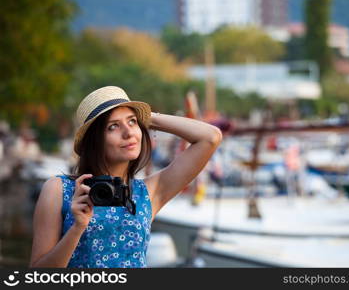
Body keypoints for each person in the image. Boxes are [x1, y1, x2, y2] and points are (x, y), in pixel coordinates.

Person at [29, 86, 222, 268]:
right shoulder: (58, 189)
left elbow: (210, 137)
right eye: (113, 127)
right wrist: (77, 228)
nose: (128, 132)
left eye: (132, 122)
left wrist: (147, 118)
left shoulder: (148, 192)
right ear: (94, 140)